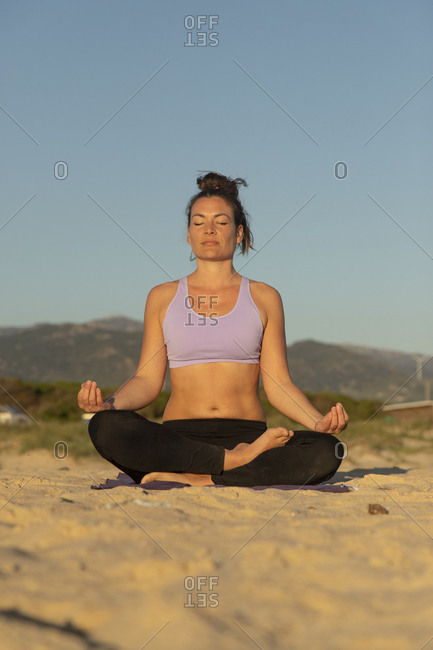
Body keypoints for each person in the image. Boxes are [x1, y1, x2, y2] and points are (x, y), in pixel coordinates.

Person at [78, 172, 348, 487]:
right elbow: (147, 380)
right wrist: (108, 405)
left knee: (327, 450)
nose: (209, 229)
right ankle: (226, 468)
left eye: (221, 222)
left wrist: (317, 421)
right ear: (188, 233)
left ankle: (198, 475)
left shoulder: (264, 297)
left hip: (248, 436)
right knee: (105, 426)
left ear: (238, 233)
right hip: (180, 438)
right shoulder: (162, 297)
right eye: (199, 222)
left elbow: (278, 383)